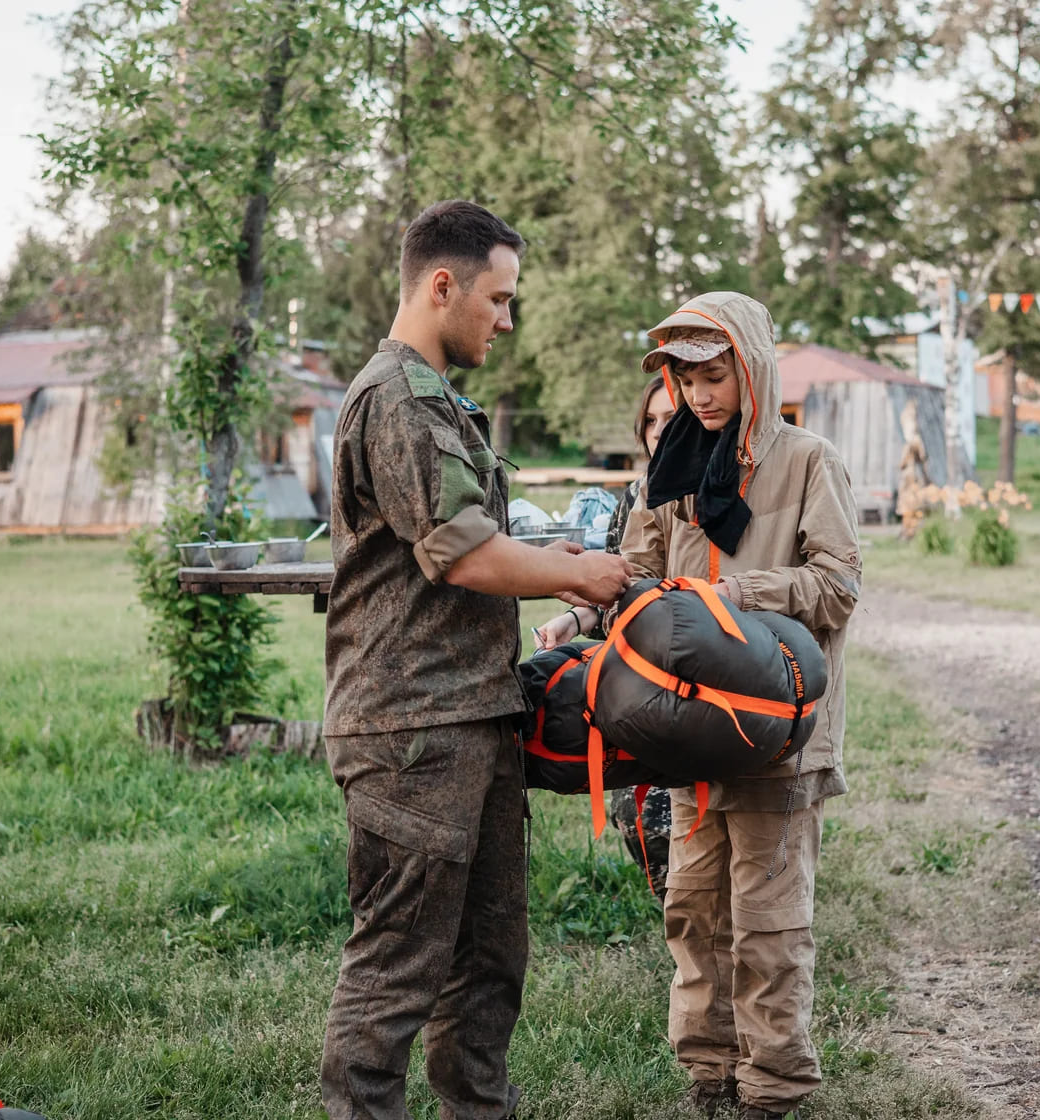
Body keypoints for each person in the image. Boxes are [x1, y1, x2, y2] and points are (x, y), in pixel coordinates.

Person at [321, 199, 634, 1120]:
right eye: (498, 299)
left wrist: (561, 564)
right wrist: (589, 575)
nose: (506, 319)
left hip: (472, 716)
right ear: (442, 284)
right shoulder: (398, 400)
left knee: (489, 966)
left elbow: (483, 545)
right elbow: (463, 556)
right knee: (396, 974)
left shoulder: (438, 401)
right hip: (412, 728)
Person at [622, 291, 862, 1120]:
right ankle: (709, 1075)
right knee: (691, 909)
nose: (701, 396)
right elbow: (639, 571)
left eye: (716, 375)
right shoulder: (671, 468)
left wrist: (732, 598)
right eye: (686, 382)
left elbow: (839, 584)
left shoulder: (805, 460)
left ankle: (773, 1088)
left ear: (752, 369)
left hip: (774, 730)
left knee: (765, 923)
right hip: (691, 732)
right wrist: (587, 611)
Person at [534, 375, 677, 898]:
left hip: (693, 672)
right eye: (651, 422)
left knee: (672, 818)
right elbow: (613, 592)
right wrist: (570, 622)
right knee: (636, 816)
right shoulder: (635, 497)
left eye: (671, 418)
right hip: (636, 675)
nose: (659, 432)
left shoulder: (716, 494)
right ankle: (679, 920)